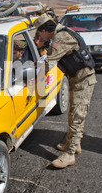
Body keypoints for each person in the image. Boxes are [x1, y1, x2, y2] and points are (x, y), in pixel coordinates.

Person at [34, 14, 97, 169]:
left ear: (45, 30)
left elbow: (50, 61)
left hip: (84, 80)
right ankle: (74, 144)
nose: (39, 36)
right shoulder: (60, 34)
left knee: (77, 116)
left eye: (39, 32)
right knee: (74, 113)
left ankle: (69, 154)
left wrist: (34, 81)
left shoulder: (61, 37)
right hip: (77, 79)